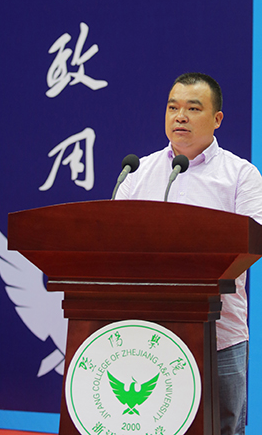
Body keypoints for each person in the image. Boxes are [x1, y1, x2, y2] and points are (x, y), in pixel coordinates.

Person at [117, 72, 260, 435]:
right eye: (173, 107)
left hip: (220, 333)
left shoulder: (241, 175)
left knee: (223, 427)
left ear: (217, 119)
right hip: (147, 331)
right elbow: (114, 243)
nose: (180, 116)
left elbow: (252, 243)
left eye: (193, 108)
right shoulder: (138, 172)